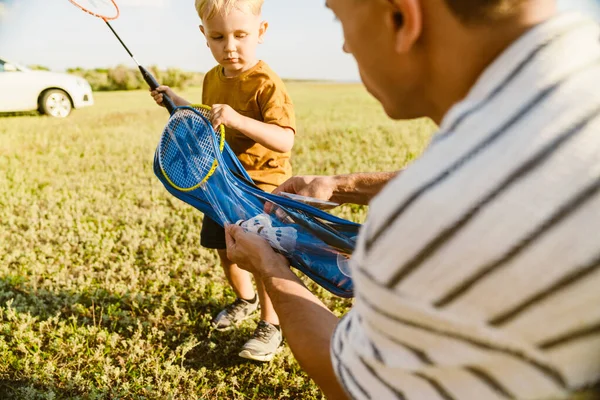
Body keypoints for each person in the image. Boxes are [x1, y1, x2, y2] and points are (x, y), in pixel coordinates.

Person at [224, 0, 600, 398]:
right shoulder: (580, 64)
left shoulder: (425, 223)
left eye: (340, 18)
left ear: (401, 17)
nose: (346, 48)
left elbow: (350, 382)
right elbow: (503, 166)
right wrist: (343, 185)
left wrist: (270, 267)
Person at [151, 0, 296, 362]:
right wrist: (175, 100)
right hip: (220, 180)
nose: (229, 46)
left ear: (260, 33)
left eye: (240, 35)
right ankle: (244, 300)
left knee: (262, 257)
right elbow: (207, 118)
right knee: (225, 249)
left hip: (260, 185)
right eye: (218, 37)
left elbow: (285, 139)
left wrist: (238, 120)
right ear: (205, 37)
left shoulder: (266, 82)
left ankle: (271, 325)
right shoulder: (212, 78)